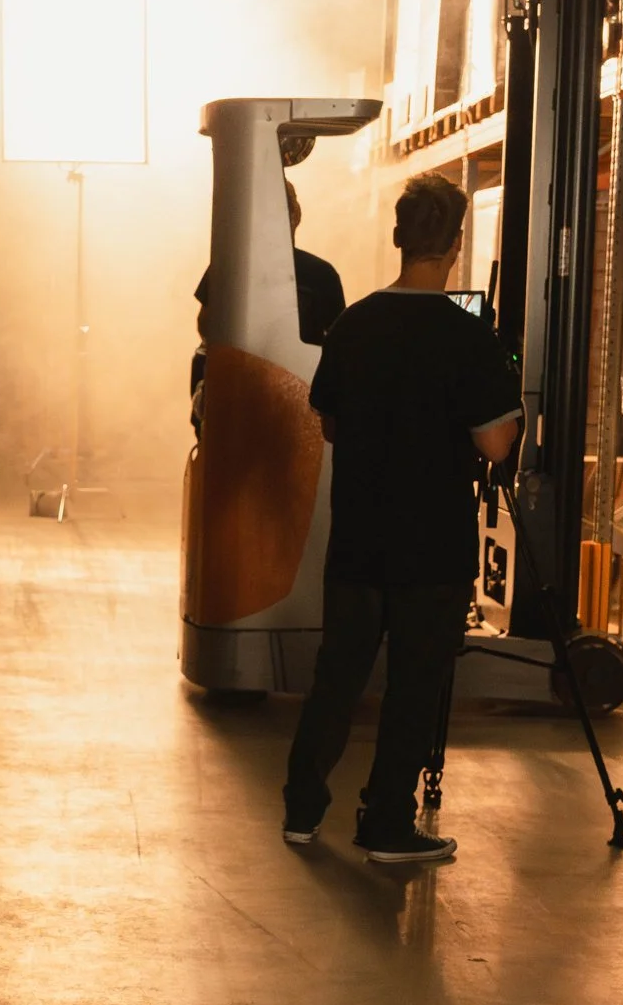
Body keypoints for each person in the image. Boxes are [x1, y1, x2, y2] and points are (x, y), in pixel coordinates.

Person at [279, 173, 521, 864]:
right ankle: (386, 822)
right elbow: (496, 444)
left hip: (358, 539)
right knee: (414, 683)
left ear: (397, 237)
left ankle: (301, 807)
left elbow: (328, 424)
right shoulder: (468, 337)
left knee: (339, 674)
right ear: (454, 244)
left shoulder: (352, 325)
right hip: (432, 548)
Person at [190, 179, 347, 413]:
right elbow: (336, 345)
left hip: (247, 392)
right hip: (299, 394)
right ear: (296, 216)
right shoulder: (320, 273)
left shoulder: (228, 265)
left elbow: (206, 324)